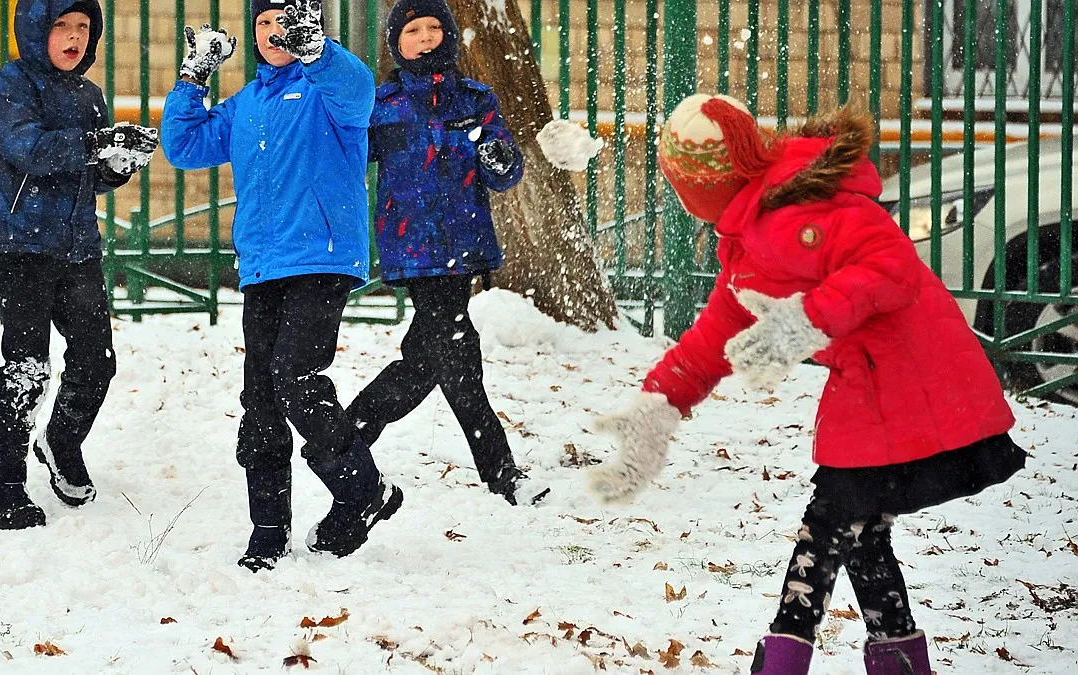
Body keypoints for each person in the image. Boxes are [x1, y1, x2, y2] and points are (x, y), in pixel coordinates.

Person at [587, 94, 1026, 675]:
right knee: (860, 529)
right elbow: (715, 337)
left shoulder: (805, 213)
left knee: (829, 521)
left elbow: (889, 270)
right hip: (877, 388)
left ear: (701, 184)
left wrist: (803, 323)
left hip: (913, 385)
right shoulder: (755, 234)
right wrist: (656, 406)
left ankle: (784, 662)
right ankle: (899, 660)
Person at [161, 0, 402, 571]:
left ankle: (360, 489)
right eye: (265, 23)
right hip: (263, 267)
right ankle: (268, 529)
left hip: (320, 257)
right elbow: (185, 146)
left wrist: (317, 50)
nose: (275, 32)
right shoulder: (247, 104)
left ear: (310, 29)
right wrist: (194, 77)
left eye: (287, 22)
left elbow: (358, 90)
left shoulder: (329, 90)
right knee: (262, 401)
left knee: (296, 379)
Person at [344, 0, 547, 507]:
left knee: (427, 361)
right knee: (457, 354)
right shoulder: (381, 104)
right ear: (397, 42)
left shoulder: (475, 100)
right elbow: (345, 162)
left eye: (436, 27)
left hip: (463, 244)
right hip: (412, 248)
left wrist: (497, 155)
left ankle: (343, 438)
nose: (427, 37)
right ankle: (503, 475)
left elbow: (506, 173)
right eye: (414, 30)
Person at [0, 0, 158, 530]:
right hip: (21, 241)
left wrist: (116, 163)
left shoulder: (90, 95)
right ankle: (3, 488)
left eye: (84, 28)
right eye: (62, 27)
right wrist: (96, 144)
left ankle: (62, 440)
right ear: (35, 31)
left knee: (96, 359)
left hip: (76, 245)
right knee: (26, 369)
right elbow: (28, 149)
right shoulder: (9, 86)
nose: (75, 38)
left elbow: (89, 174)